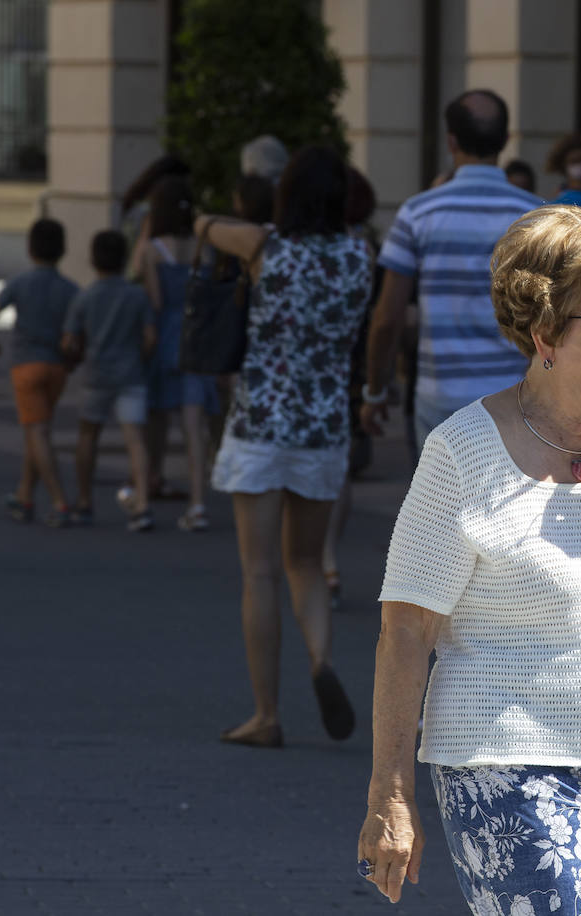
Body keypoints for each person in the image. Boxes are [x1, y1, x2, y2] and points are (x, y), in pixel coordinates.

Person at [356, 205, 581, 911]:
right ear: (545, 336)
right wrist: (390, 795)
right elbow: (405, 631)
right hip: (504, 764)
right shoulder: (463, 452)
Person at [195, 144, 371, 749]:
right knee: (306, 565)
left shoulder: (267, 248)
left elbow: (210, 228)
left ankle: (266, 715)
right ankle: (320, 657)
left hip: (262, 424)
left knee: (259, 572)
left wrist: (203, 219)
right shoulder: (358, 254)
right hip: (323, 427)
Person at [361, 89, 542, 450]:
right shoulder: (537, 216)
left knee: (437, 503)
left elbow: (387, 316)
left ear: (451, 141)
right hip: (518, 394)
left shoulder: (418, 213)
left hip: (439, 397)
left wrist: (375, 389)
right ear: (505, 141)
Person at [0, 218, 81, 526]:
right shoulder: (70, 289)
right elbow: (76, 333)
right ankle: (24, 495)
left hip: (26, 364)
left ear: (29, 248)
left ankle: (59, 501)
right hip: (57, 367)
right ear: (63, 249)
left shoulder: (19, 282)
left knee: (37, 431)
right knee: (36, 430)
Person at [61, 230, 157, 532]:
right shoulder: (137, 295)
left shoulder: (85, 296)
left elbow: (69, 341)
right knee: (135, 440)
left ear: (93, 259)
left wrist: (74, 357)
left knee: (88, 436)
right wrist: (139, 357)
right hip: (130, 373)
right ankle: (142, 504)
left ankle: (85, 501)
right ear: (124, 258)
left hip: (96, 374)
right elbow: (150, 337)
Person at [137, 175, 218, 531]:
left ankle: (152, 477)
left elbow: (154, 301)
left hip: (167, 335)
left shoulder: (153, 249)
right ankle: (198, 502)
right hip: (198, 338)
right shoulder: (206, 248)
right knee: (193, 424)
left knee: (157, 414)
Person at [323, 165, 382, 610]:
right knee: (340, 466)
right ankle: (326, 557)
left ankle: (311, 558)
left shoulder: (299, 248)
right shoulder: (364, 250)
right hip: (349, 366)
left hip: (309, 370)